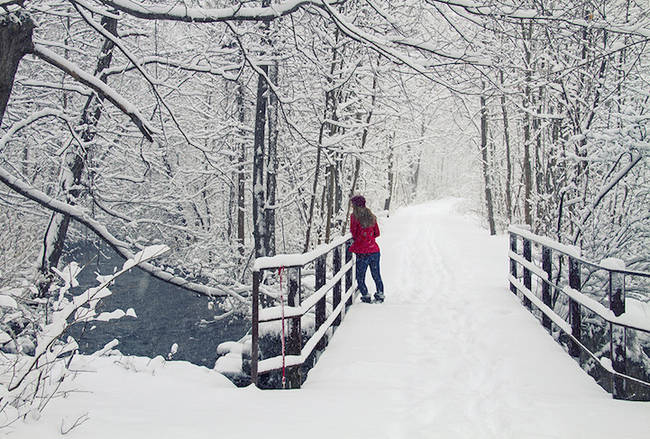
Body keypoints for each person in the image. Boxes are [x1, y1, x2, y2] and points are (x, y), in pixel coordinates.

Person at [349, 195, 384, 303]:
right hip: (374, 251)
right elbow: (377, 233)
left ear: (355, 205)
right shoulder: (371, 216)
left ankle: (365, 295)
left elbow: (354, 233)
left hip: (362, 252)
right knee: (376, 275)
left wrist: (360, 239)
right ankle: (380, 294)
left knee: (360, 277)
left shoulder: (354, 217)